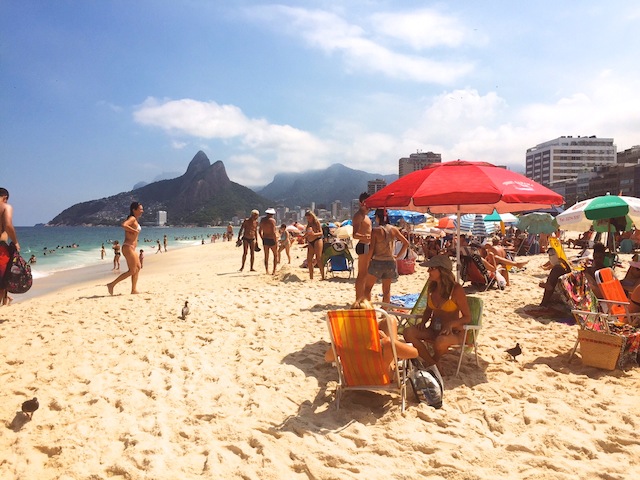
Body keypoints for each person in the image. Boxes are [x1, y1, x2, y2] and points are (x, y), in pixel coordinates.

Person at [403, 255, 471, 369]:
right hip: (434, 329)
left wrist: (451, 324)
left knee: (440, 341)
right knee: (408, 332)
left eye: (432, 268)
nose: (428, 271)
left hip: (453, 333)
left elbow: (467, 317)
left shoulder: (456, 289)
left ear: (442, 270)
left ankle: (433, 362)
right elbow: (428, 309)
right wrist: (423, 322)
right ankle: (433, 363)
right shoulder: (432, 287)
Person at [324, 299, 418, 370]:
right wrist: (388, 340)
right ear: (371, 319)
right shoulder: (385, 343)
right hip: (382, 377)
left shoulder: (344, 342)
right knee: (390, 324)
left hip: (355, 378)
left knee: (388, 321)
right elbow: (414, 353)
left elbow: (328, 358)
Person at [363, 208, 409, 304]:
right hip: (390, 262)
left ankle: (368, 309)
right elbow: (406, 243)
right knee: (386, 290)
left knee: (367, 288)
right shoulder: (393, 229)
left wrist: (367, 261)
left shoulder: (376, 231)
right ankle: (385, 312)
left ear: (377, 217)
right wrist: (397, 256)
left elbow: (371, 248)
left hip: (377, 261)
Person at [107, 202, 144, 295]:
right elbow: (124, 225)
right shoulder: (132, 218)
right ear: (134, 210)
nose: (142, 211)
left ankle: (133, 289)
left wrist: (134, 231)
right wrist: (134, 230)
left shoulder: (135, 220)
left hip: (131, 248)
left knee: (138, 267)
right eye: (140, 209)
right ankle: (111, 284)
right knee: (132, 270)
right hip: (128, 247)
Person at [0, 187, 20, 306]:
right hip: (1, 248)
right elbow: (8, 225)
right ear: (5, 198)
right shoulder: (5, 207)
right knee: (1, 284)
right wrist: (15, 241)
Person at [353, 192, 372, 301]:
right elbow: (355, 234)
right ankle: (358, 299)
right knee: (362, 274)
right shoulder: (358, 216)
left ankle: (363, 298)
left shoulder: (366, 216)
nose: (367, 205)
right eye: (366, 203)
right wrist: (367, 237)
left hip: (367, 245)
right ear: (361, 203)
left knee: (366, 275)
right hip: (363, 245)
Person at [304, 210, 324, 280]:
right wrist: (303, 236)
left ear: (312, 216)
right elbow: (307, 233)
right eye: (307, 218)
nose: (308, 219)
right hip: (310, 241)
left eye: (309, 218)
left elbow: (321, 233)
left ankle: (322, 276)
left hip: (317, 240)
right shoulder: (308, 224)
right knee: (309, 260)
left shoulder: (316, 222)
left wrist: (314, 234)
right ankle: (311, 277)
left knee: (318, 258)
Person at [259, 208, 278, 275]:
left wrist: (262, 238)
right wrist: (276, 241)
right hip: (271, 239)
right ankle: (274, 271)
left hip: (265, 239)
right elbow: (273, 232)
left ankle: (267, 270)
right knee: (275, 255)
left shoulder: (262, 220)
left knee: (266, 256)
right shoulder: (272, 221)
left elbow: (259, 231)